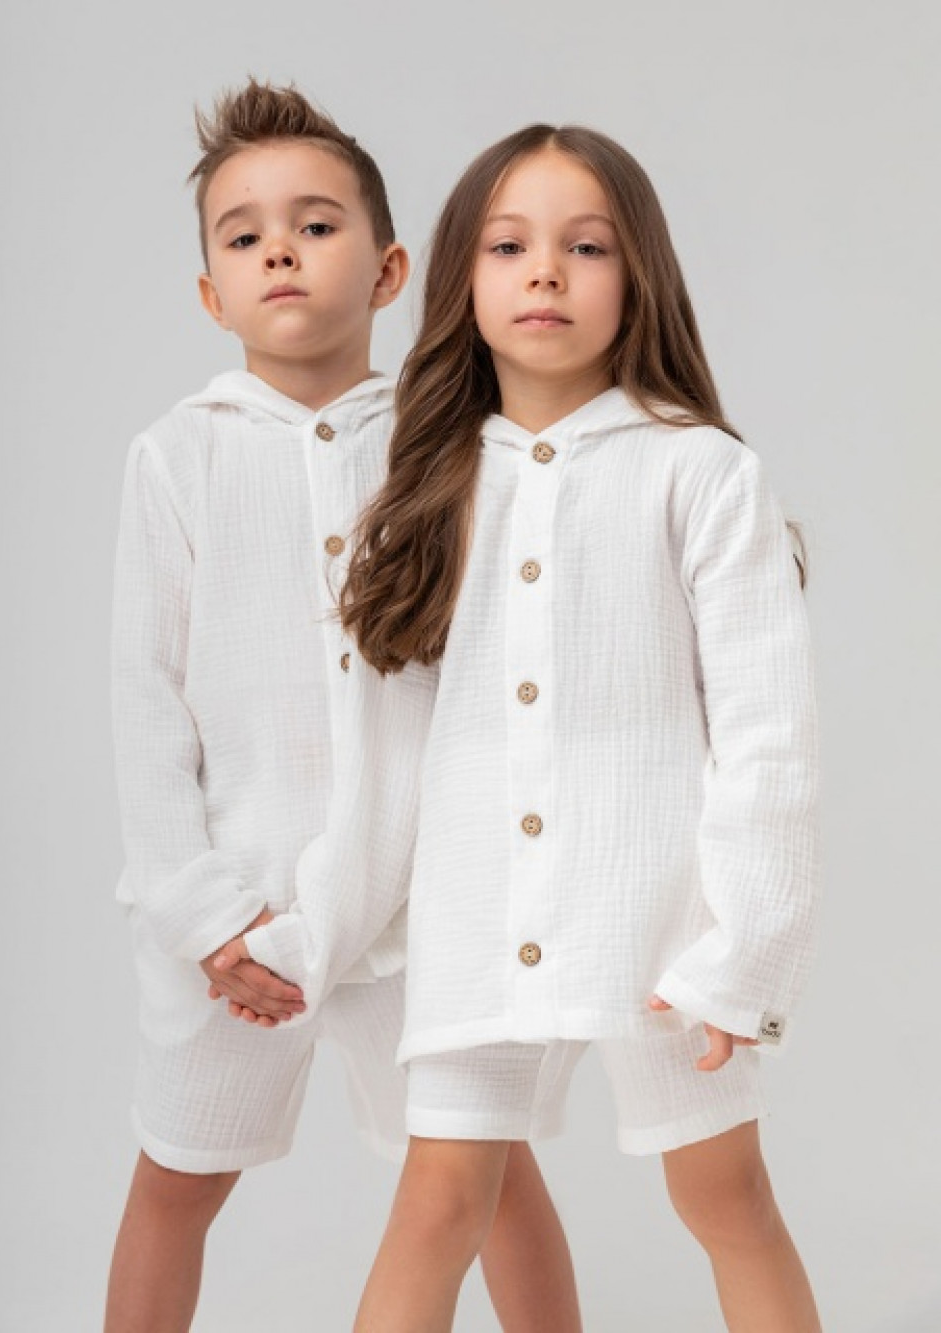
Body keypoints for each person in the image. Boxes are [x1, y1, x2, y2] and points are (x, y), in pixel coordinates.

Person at [225, 123, 823, 1331]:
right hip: (475, 916)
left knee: (724, 1196)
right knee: (436, 1204)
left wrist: (744, 952)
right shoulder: (423, 488)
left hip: (665, 919)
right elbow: (386, 762)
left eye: (585, 246)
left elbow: (768, 737)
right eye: (508, 246)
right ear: (460, 275)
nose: (544, 270)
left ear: (638, 273)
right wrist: (314, 931)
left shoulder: (699, 473)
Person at [105, 84, 581, 1333]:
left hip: (423, 904)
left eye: (315, 225)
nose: (280, 249)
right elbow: (145, 706)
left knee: (490, 1177)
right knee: (175, 1178)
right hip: (239, 918)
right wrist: (206, 913)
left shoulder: (452, 447)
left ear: (387, 270)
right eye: (244, 233)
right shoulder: (178, 457)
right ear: (210, 292)